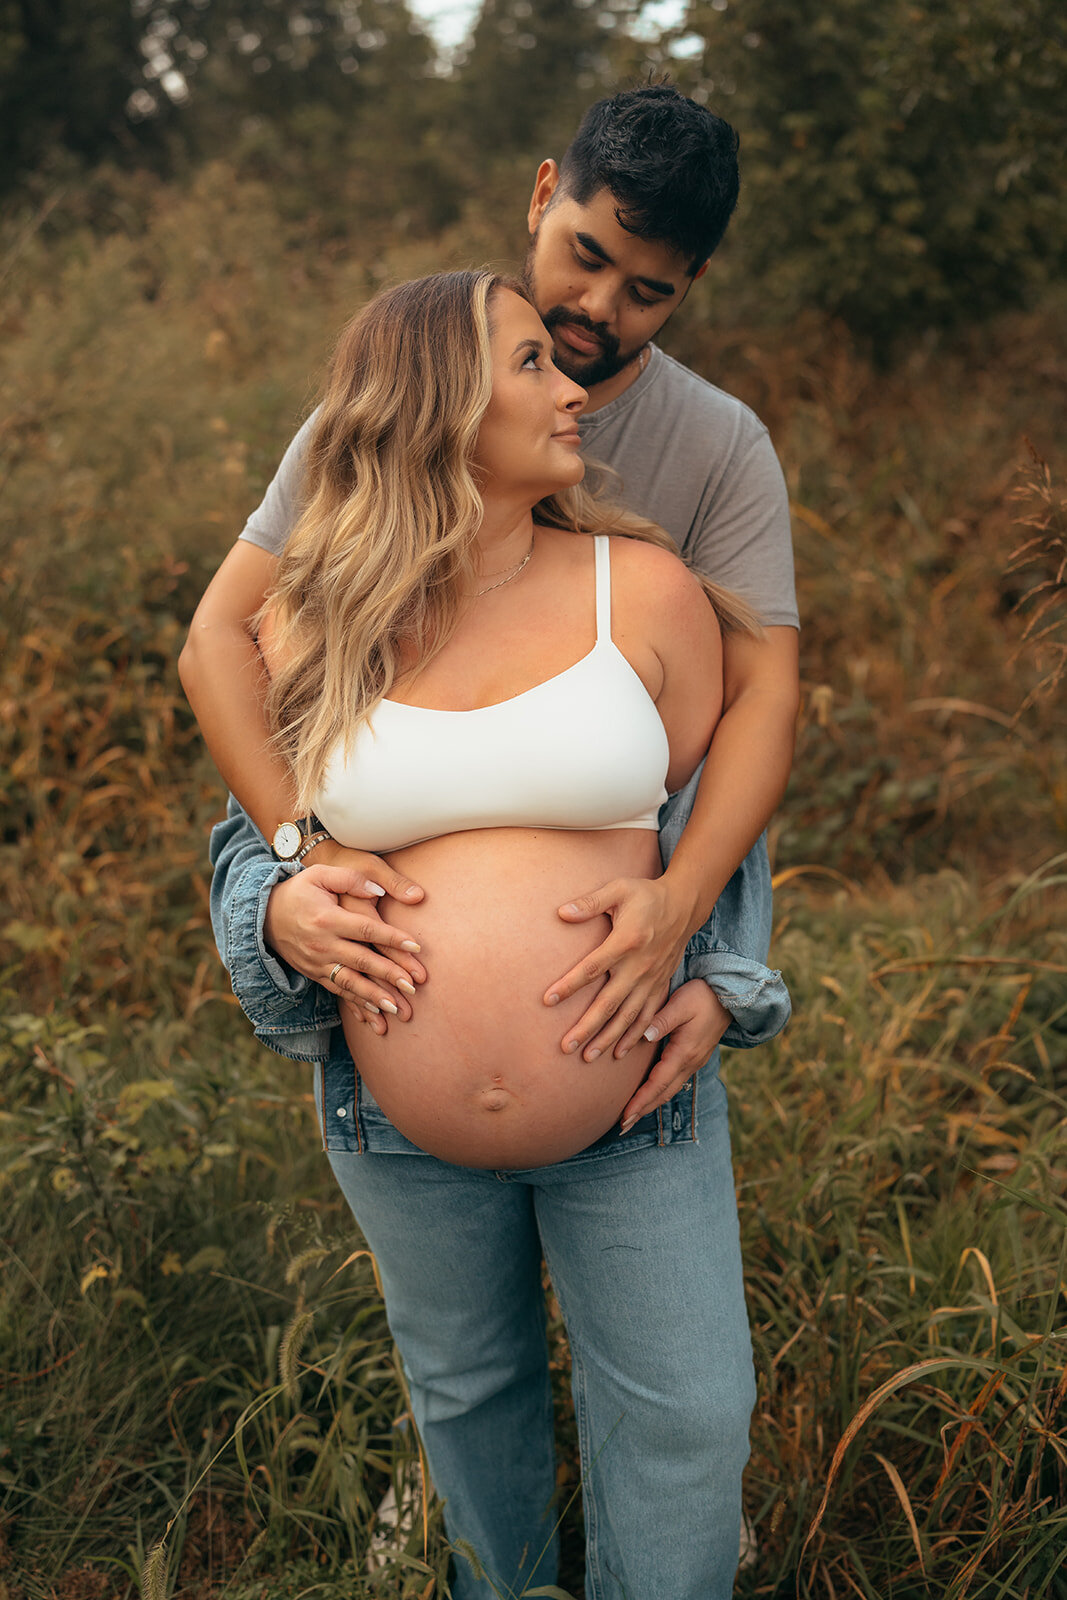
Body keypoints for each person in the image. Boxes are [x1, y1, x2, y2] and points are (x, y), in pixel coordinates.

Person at [187, 84, 799, 1599]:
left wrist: (702, 936)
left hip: (625, 1012)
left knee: (685, 1410)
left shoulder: (701, 473)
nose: (594, 320)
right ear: (543, 196)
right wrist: (282, 872)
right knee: (465, 1393)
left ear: (690, 285)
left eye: (644, 291)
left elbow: (743, 744)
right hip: (398, 1092)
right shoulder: (372, 439)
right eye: (582, 261)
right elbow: (231, 659)